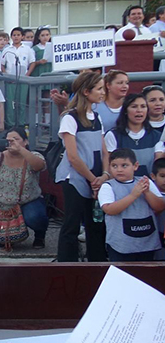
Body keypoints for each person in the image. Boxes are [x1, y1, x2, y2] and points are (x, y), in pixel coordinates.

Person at [55, 71, 108, 263]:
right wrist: (93, 180)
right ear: (86, 91)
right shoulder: (70, 118)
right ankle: (67, 265)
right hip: (75, 179)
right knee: (72, 224)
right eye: (99, 89)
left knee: (95, 225)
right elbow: (73, 157)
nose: (103, 92)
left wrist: (104, 175)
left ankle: (97, 262)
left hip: (95, 177)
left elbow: (104, 151)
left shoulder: (97, 117)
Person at [0, 129, 48, 248]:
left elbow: (39, 166)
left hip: (28, 201)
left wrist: (20, 149)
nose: (12, 143)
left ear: (25, 141)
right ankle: (14, 231)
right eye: (9, 140)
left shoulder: (33, 156)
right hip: (2, 204)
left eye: (16, 139)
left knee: (35, 217)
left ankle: (40, 235)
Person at [100, 149, 165, 261]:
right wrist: (133, 195)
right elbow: (109, 210)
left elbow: (160, 206)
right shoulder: (108, 186)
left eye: (124, 165)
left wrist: (147, 192)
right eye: (114, 166)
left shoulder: (145, 182)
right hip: (121, 243)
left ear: (135, 166)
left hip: (147, 240)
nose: (119, 169)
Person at [106, 94, 158, 177]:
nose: (139, 110)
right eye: (134, 106)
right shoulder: (113, 135)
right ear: (125, 110)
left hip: (149, 183)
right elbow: (109, 167)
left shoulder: (156, 136)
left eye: (143, 106)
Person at [0, 27, 33, 129]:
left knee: (22, 103)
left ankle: (21, 124)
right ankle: (11, 124)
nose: (16, 37)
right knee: (10, 103)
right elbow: (2, 64)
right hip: (10, 80)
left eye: (18, 35)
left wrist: (27, 75)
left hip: (23, 79)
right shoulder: (7, 50)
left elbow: (32, 62)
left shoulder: (27, 49)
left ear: (22, 36)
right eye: (14, 35)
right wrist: (6, 75)